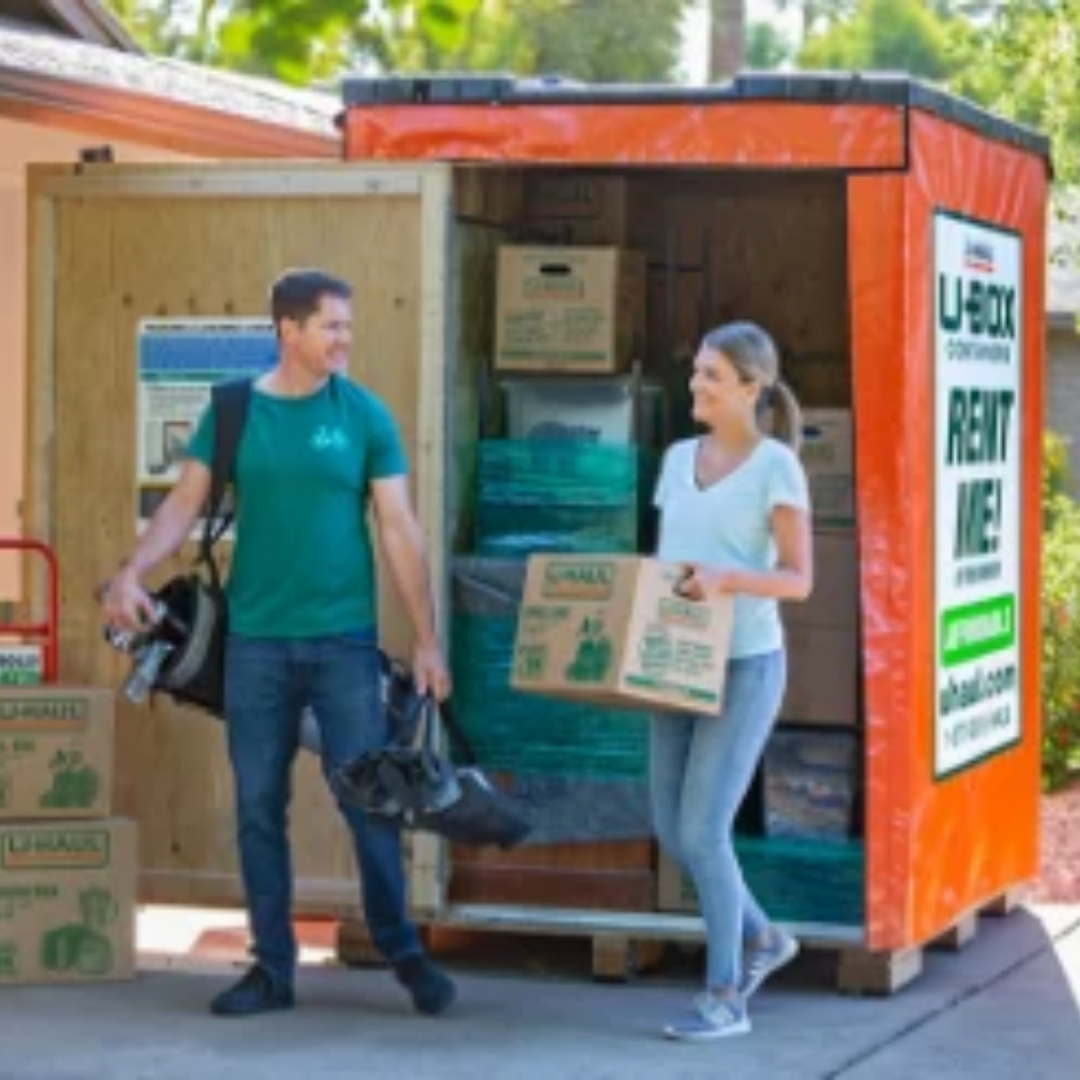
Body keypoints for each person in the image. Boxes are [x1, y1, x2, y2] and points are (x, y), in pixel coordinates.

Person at [102, 268, 456, 1019]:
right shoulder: (234, 411)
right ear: (287, 331)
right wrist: (132, 571)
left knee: (369, 801)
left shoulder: (363, 416)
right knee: (259, 807)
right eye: (331, 327)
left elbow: (400, 530)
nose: (345, 340)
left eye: (348, 327)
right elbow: (184, 504)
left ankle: (404, 953)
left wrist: (427, 641)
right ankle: (271, 970)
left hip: (344, 647)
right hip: (256, 646)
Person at [650, 321, 813, 1042]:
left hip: (745, 664)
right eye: (696, 371)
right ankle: (764, 938)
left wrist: (727, 579)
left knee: (705, 831)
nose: (696, 384)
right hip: (675, 660)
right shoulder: (677, 459)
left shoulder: (777, 467)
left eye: (712, 375)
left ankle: (725, 996)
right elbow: (669, 560)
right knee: (673, 829)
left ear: (752, 388)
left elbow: (799, 579)